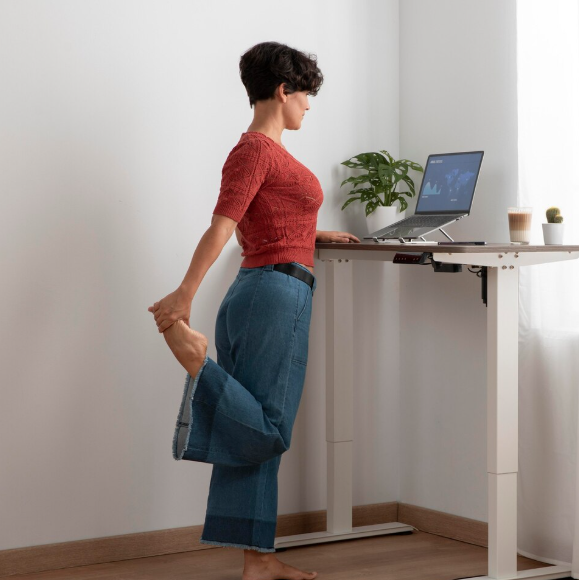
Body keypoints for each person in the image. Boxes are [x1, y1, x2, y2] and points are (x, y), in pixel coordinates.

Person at [148, 41, 360, 580]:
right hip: (276, 295)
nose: (309, 106)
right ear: (283, 91)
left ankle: (258, 562)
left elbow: (269, 220)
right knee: (269, 428)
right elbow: (222, 226)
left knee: (252, 436)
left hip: (261, 290)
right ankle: (197, 360)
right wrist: (184, 296)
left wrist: (316, 233)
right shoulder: (257, 150)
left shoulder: (266, 155)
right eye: (306, 95)